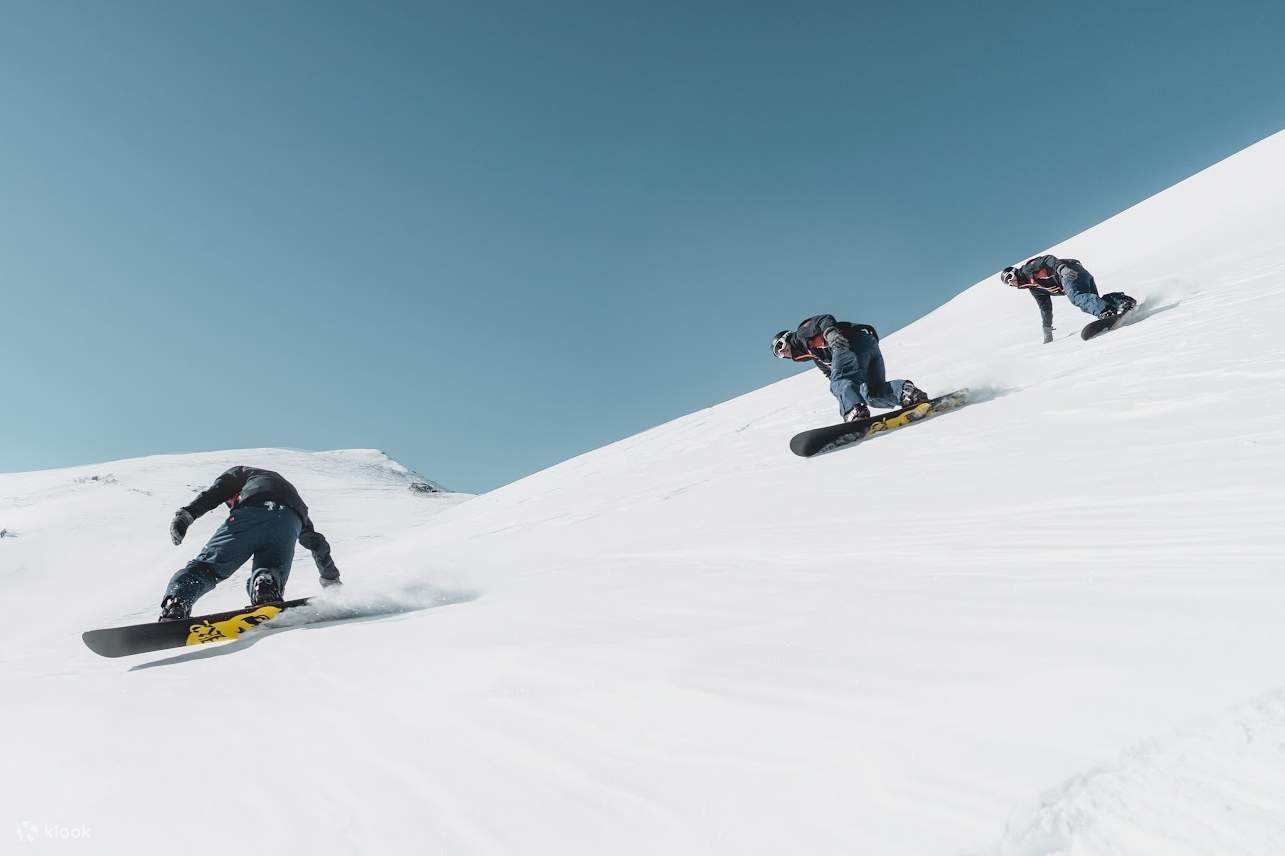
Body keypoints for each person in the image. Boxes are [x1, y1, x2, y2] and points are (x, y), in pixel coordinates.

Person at [160, 466, 341, 621]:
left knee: (208, 568)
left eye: (231, 503)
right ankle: (266, 587)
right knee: (271, 568)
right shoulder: (297, 504)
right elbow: (317, 543)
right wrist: (330, 580)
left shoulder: (242, 473)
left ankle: (177, 602)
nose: (231, 505)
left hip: (253, 509)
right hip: (291, 521)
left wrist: (186, 515)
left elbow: (215, 493)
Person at [771, 314, 930, 422]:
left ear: (787, 338)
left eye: (780, 346)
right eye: (778, 354)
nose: (782, 352)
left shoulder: (800, 334)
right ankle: (906, 393)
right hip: (868, 344)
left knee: (839, 381)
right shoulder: (816, 356)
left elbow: (823, 320)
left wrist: (831, 334)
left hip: (850, 342)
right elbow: (830, 373)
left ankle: (853, 410)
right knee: (872, 393)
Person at [1000, 255, 1137, 343]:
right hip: (1080, 274)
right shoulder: (1034, 289)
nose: (1010, 282)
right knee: (1090, 301)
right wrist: (1047, 329)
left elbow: (1047, 259)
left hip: (1069, 272)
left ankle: (1106, 311)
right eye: (1007, 283)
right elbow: (1045, 308)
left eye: (1009, 277)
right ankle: (1122, 301)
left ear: (1014, 272)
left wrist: (1061, 268)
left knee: (1076, 297)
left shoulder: (1027, 270)